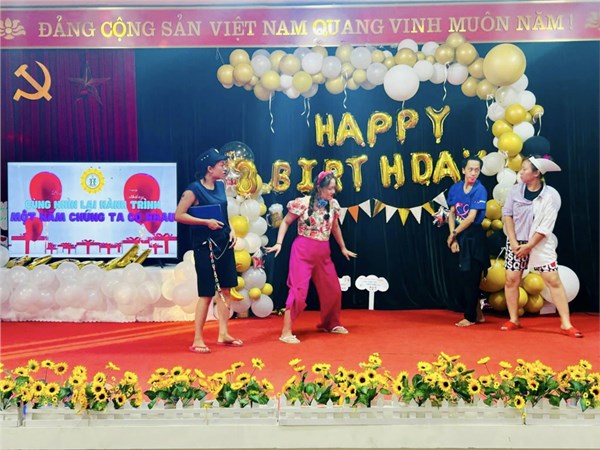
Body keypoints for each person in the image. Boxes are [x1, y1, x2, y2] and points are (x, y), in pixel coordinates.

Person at [265, 171, 357, 344]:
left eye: (334, 188)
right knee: (298, 292)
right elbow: (286, 221)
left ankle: (330, 323)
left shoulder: (333, 204)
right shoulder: (303, 203)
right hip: (303, 251)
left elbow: (335, 227)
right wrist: (279, 243)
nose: (333, 192)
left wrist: (343, 247)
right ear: (319, 187)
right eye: (330, 188)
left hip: (323, 253)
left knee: (333, 290)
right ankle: (286, 332)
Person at [501, 156, 583, 337]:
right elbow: (507, 215)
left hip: (539, 244)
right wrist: (513, 241)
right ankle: (514, 319)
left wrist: (529, 245)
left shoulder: (549, 196)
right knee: (511, 280)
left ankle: (566, 324)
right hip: (516, 243)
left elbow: (546, 226)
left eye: (525, 169)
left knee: (553, 280)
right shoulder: (515, 191)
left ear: (536, 173)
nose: (521, 172)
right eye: (521, 169)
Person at [174, 148, 243, 353]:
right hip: (205, 246)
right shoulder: (193, 190)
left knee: (226, 289)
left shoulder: (220, 186)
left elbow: (224, 214)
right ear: (209, 168)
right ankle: (198, 339)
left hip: (224, 243)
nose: (225, 168)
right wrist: (205, 222)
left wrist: (231, 231)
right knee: (206, 293)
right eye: (221, 165)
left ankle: (223, 333)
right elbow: (179, 215)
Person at [446, 156, 489, 327]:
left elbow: (471, 218)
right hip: (458, 234)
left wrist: (453, 234)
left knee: (472, 278)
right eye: (470, 169)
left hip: (473, 237)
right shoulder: (455, 188)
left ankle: (470, 317)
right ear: (463, 170)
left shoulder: (480, 190)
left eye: (477, 170)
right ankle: (478, 314)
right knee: (463, 278)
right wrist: (453, 237)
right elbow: (452, 213)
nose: (473, 173)